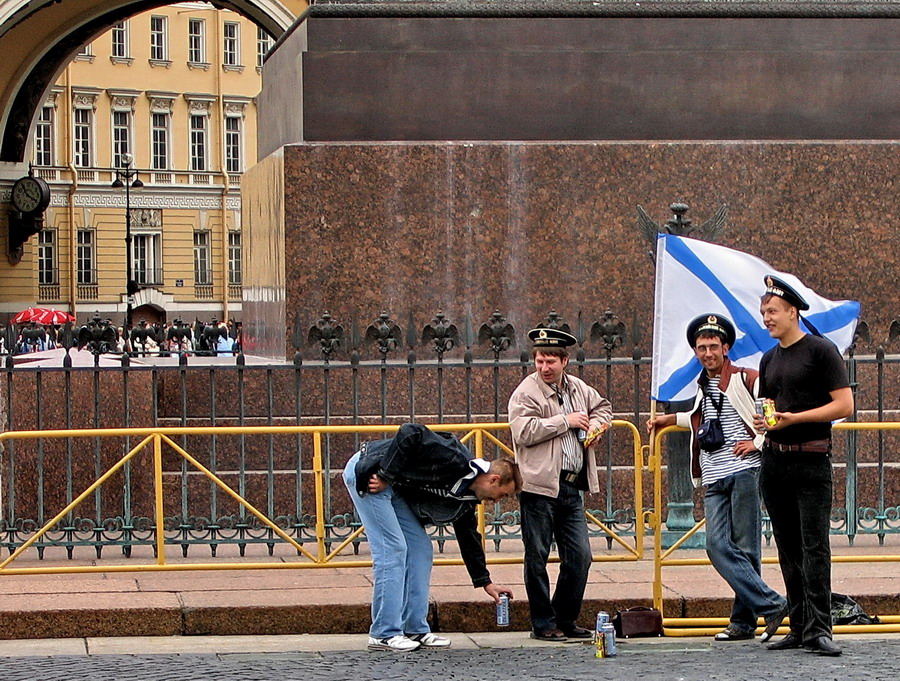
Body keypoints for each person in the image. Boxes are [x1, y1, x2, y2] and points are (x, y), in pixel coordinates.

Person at [647, 313, 788, 643]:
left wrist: (755, 442)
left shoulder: (746, 378)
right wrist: (667, 419)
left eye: (713, 346)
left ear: (726, 348)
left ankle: (742, 623)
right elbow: (701, 419)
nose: (707, 353)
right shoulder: (702, 385)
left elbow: (772, 414)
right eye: (701, 348)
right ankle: (774, 605)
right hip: (714, 476)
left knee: (746, 550)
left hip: (744, 472)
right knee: (717, 545)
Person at [343, 423, 521, 652]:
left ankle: (415, 628)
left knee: (420, 550)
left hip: (392, 486)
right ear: (494, 480)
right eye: (502, 495)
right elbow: (411, 431)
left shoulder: (468, 497)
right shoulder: (453, 457)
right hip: (370, 474)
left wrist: (485, 582)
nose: (497, 502)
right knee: (393, 549)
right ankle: (383, 633)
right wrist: (386, 475)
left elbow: (469, 538)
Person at [755, 275, 853, 657]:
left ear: (793, 312)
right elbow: (768, 407)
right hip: (775, 461)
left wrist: (795, 418)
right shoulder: (769, 358)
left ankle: (820, 628)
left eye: (773, 311)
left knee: (814, 548)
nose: (766, 317)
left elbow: (844, 406)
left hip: (812, 459)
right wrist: (765, 424)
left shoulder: (820, 351)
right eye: (763, 311)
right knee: (787, 548)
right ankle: (797, 625)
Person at [507, 327, 612, 641]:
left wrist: (595, 425)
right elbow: (522, 431)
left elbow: (603, 408)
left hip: (570, 486)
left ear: (565, 361)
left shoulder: (579, 388)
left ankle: (564, 618)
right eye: (540, 360)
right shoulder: (526, 392)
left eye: (551, 360)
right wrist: (565, 421)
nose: (544, 367)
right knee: (536, 556)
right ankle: (542, 623)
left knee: (580, 557)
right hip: (538, 487)